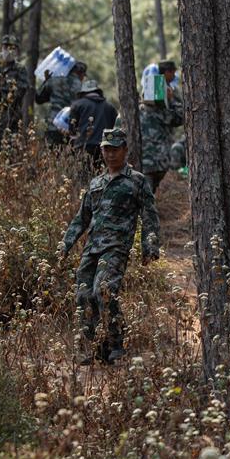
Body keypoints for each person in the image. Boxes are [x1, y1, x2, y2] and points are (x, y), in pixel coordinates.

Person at [59, 128, 161, 364]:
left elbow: (150, 215)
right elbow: (81, 218)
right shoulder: (96, 182)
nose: (110, 154)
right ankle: (95, 347)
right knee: (83, 295)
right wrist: (65, 244)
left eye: (115, 149)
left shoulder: (136, 180)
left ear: (125, 150)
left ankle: (117, 343)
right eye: (106, 149)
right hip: (92, 248)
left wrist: (150, 247)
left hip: (116, 247)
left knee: (103, 290)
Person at [115, 61, 184, 192]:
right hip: (160, 163)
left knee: (144, 195)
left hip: (142, 162)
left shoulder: (131, 112)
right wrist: (172, 100)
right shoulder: (162, 113)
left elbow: (117, 130)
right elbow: (180, 117)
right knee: (147, 196)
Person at [0, 34, 33, 139]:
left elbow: (20, 90)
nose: (8, 51)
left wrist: (0, 89)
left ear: (16, 51)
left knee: (11, 143)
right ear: (1, 49)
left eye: (12, 48)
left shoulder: (20, 69)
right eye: (5, 47)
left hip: (12, 116)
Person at [35, 60, 87, 147]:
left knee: (51, 152)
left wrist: (46, 81)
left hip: (52, 125)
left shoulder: (54, 80)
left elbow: (38, 99)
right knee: (68, 154)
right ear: (81, 74)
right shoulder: (83, 87)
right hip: (71, 129)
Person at [68, 80, 118, 166]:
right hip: (105, 149)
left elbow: (72, 130)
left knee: (84, 172)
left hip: (82, 147)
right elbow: (115, 129)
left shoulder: (77, 105)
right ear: (98, 92)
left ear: (83, 93)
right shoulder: (110, 107)